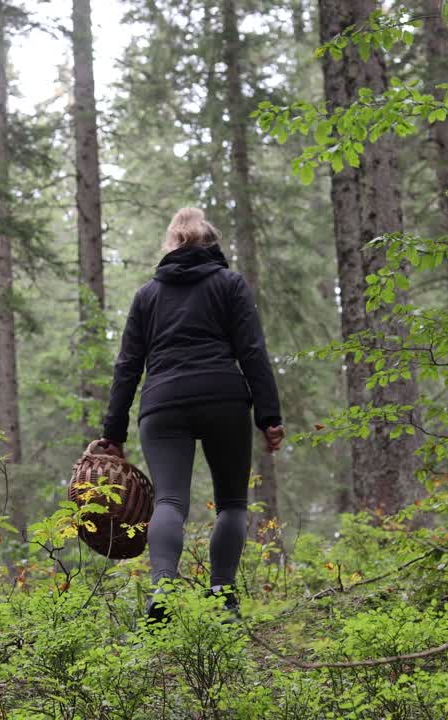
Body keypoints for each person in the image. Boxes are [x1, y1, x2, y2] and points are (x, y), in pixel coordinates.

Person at [98, 207, 285, 622]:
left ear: (171, 244)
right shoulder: (230, 284)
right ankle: (222, 595)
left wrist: (114, 432)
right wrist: (269, 416)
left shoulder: (147, 295)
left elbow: (127, 365)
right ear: (210, 243)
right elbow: (252, 351)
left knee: (169, 500)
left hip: (164, 402)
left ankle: (162, 588)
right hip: (223, 397)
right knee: (232, 504)